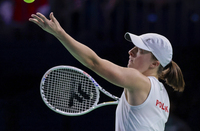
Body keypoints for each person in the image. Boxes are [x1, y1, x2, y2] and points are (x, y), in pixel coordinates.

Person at [29, 12, 185, 131]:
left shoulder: (138, 80)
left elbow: (94, 62)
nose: (130, 52)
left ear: (155, 63)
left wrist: (60, 34)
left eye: (140, 50)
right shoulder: (162, 94)